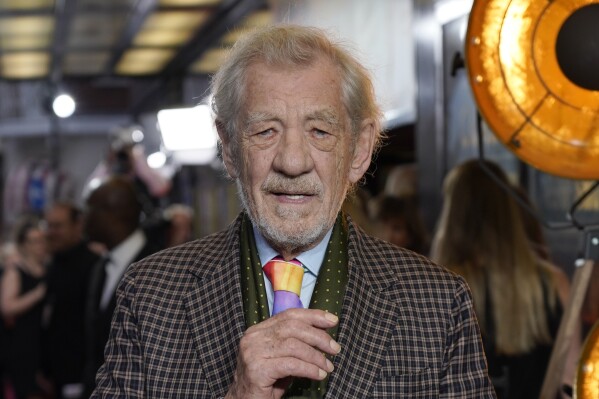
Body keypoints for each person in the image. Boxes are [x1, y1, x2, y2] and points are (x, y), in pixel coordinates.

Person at [92, 24, 495, 398]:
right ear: (229, 147)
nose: (292, 161)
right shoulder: (150, 295)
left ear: (359, 149)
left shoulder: (438, 304)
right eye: (265, 130)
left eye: (320, 131)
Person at [430, 159, 571, 399]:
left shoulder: (436, 284)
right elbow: (570, 378)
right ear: (508, 211)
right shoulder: (552, 282)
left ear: (453, 212)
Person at [82, 176, 162, 396]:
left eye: (91, 210)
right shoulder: (100, 266)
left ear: (116, 212)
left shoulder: (157, 265)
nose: (84, 219)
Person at [42, 202, 100, 399]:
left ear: (78, 226)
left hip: (81, 374)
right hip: (55, 375)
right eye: (48, 226)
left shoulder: (94, 265)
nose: (51, 232)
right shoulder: (53, 264)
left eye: (58, 226)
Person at [1, 219, 48, 399]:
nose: (40, 245)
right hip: (23, 343)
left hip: (43, 343)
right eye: (34, 241)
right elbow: (7, 307)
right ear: (23, 244)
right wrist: (37, 295)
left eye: (42, 240)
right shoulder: (15, 270)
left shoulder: (48, 268)